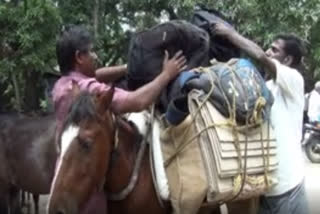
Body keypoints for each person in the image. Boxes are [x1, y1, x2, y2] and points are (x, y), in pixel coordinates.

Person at [212, 23, 308, 214]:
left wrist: (230, 34)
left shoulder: (294, 80)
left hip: (288, 190)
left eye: (274, 49)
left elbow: (260, 57)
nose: (268, 51)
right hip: (265, 190)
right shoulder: (265, 86)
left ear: (287, 59)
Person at [52, 25, 187, 142]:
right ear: (79, 57)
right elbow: (137, 101)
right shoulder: (88, 90)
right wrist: (166, 74)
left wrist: (128, 68)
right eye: (91, 51)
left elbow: (97, 75)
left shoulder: (61, 85)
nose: (95, 56)